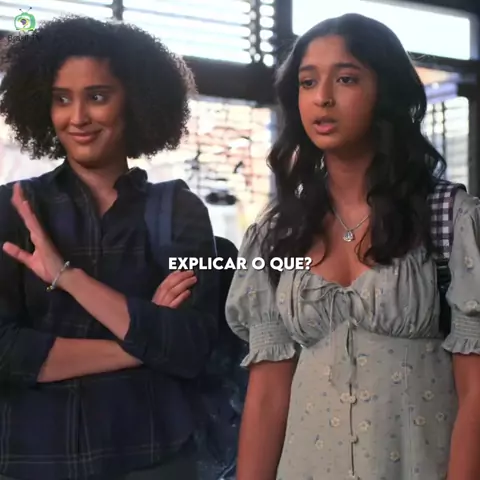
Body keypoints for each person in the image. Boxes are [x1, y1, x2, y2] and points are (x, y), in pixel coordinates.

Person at [225, 13, 480, 480]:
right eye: (307, 82)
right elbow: (266, 398)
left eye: (345, 79)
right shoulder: (276, 235)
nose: (322, 97)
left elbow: (477, 393)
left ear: (386, 91)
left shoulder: (450, 218)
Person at [0, 15, 218, 480]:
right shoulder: (12, 208)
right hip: (32, 463)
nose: (77, 117)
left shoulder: (179, 211)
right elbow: (4, 352)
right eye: (62, 99)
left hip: (156, 462)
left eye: (97, 97)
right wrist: (140, 342)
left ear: (135, 100)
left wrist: (67, 278)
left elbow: (191, 347)